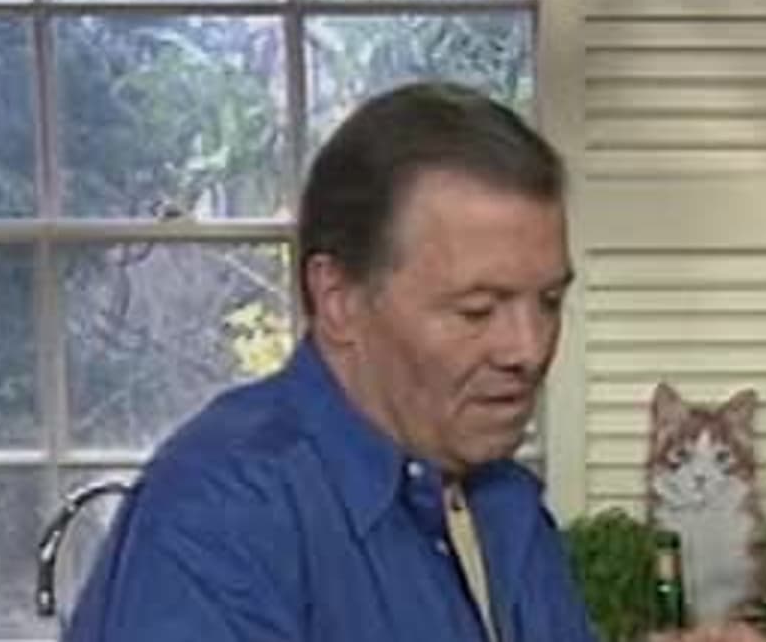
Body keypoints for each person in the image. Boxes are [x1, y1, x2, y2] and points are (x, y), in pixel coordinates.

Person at [66, 82, 593, 641]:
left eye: (549, 302)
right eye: (477, 310)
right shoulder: (223, 514)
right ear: (338, 299)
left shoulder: (506, 505)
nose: (529, 350)